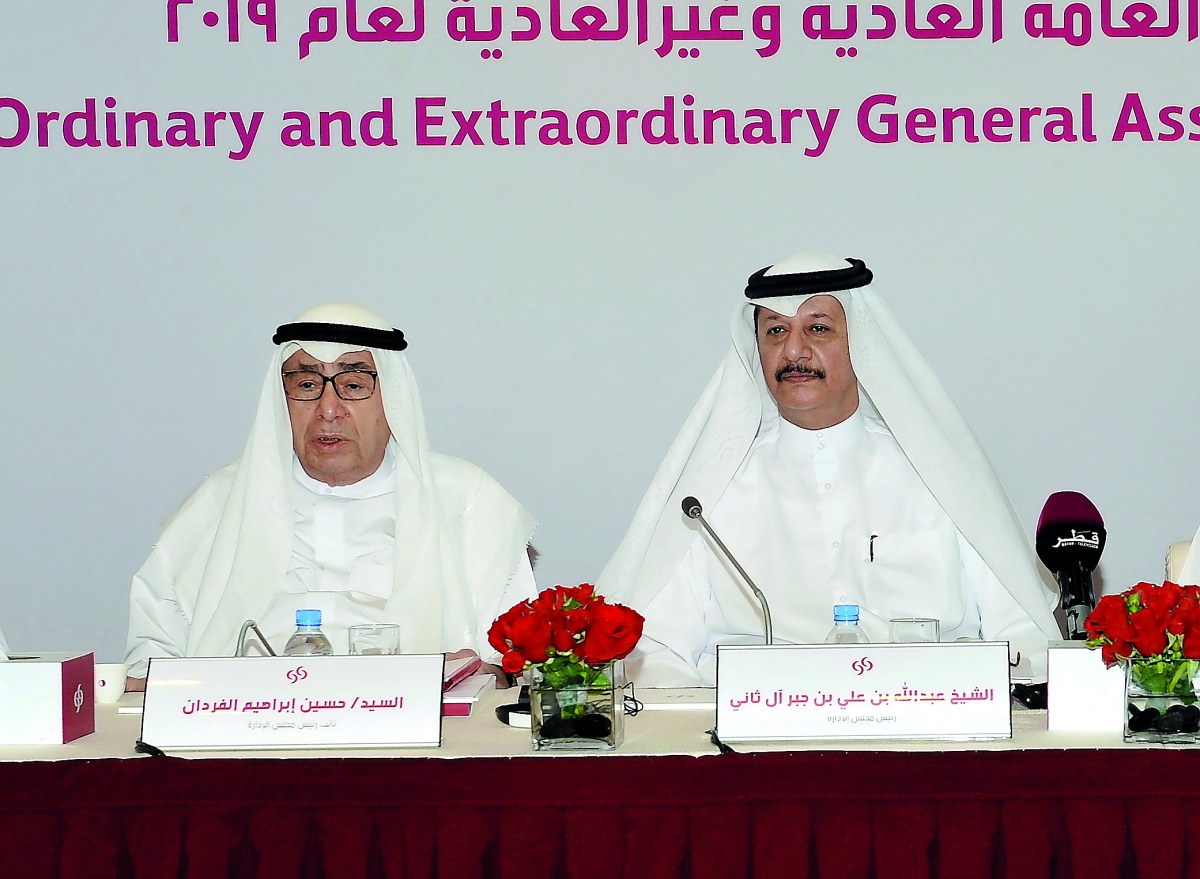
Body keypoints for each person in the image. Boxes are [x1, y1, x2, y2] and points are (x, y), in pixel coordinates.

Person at [599, 252, 1061, 687]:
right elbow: (655, 651)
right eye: (776, 332)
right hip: (749, 745)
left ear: (860, 342)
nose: (794, 351)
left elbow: (1023, 633)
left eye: (818, 329)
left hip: (927, 736)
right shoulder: (709, 494)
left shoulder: (938, 477)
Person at [124, 303, 537, 686]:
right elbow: (148, 665)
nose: (328, 409)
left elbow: (515, 671)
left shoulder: (467, 501)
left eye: (353, 385)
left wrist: (479, 673)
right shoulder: (218, 504)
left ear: (391, 397)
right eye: (306, 384)